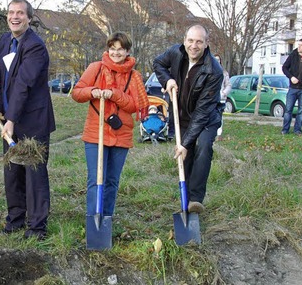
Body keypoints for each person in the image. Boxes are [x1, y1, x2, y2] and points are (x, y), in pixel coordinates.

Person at [0, 0, 55, 240]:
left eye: (20, 13)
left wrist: (12, 118)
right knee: (12, 170)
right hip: (9, 119)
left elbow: (24, 84)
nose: (15, 17)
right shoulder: (4, 41)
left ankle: (37, 227)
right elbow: (0, 80)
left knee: (34, 172)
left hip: (33, 120)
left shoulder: (35, 47)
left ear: (29, 18)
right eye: (11, 12)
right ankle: (15, 219)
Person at [72, 32, 149, 224]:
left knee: (112, 181)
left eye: (120, 49)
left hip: (121, 134)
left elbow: (133, 106)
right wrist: (93, 91)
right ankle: (93, 220)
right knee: (95, 180)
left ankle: (106, 218)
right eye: (112, 48)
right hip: (95, 134)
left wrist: (114, 94)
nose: (116, 53)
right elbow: (77, 93)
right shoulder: (95, 68)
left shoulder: (134, 76)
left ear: (127, 51)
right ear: (108, 49)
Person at [153, 24, 224, 214]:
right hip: (182, 116)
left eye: (199, 41)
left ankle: (195, 200)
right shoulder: (175, 52)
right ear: (184, 41)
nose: (194, 45)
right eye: (190, 40)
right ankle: (184, 201)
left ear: (206, 44)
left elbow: (202, 113)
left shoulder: (213, 70)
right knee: (186, 158)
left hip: (206, 119)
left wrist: (184, 143)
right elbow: (158, 63)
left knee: (202, 147)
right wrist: (167, 80)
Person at [213, 54, 231, 137]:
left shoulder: (224, 73)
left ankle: (219, 131)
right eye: (215, 59)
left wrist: (223, 93)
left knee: (219, 115)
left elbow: (228, 85)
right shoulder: (209, 71)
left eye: (218, 59)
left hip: (221, 98)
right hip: (211, 97)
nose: (217, 61)